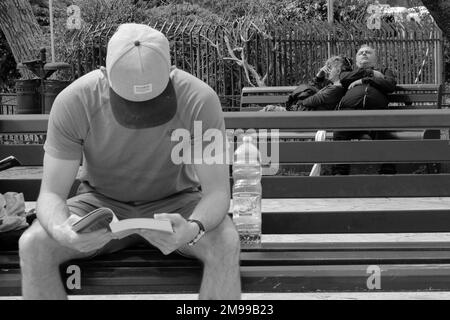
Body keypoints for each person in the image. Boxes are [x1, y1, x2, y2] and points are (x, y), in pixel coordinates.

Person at [18, 23, 241, 300]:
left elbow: (218, 191)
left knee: (226, 243)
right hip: (100, 205)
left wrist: (193, 228)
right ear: (105, 74)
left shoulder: (199, 99)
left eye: (153, 102)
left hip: (177, 203)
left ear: (170, 73)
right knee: (33, 245)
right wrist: (63, 231)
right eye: (128, 104)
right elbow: (51, 194)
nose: (139, 117)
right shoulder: (74, 100)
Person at [333, 45, 397, 175]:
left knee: (384, 134)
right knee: (339, 133)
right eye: (361, 53)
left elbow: (390, 85)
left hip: (376, 112)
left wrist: (364, 80)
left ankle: (387, 173)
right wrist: (370, 73)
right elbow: (344, 79)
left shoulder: (384, 71)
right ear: (356, 60)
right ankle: (339, 173)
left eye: (368, 52)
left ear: (375, 58)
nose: (364, 54)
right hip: (349, 112)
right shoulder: (349, 73)